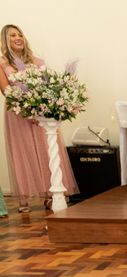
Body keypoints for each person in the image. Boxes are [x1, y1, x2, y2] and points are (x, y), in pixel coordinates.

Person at [0, 24, 78, 213]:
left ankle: (50, 195)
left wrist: (40, 111)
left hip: (42, 113)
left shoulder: (38, 61)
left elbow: (47, 88)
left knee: (47, 151)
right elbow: (6, 91)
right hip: (17, 113)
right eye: (12, 36)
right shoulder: (2, 63)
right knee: (23, 153)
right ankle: (24, 198)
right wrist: (27, 112)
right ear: (5, 40)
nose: (18, 38)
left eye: (20, 34)